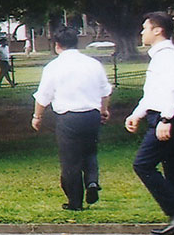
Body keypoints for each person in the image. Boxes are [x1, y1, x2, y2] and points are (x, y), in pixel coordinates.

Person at [124, 12, 174, 235]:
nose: (141, 32)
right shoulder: (160, 56)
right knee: (173, 171)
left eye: (145, 28)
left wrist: (166, 118)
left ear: (158, 30)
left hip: (168, 117)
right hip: (166, 115)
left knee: (143, 164)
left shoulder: (168, 56)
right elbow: (153, 93)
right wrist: (137, 114)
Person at [32, 27, 112, 211]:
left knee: (70, 161)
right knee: (90, 151)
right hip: (91, 114)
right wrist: (103, 110)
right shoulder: (93, 64)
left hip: (68, 118)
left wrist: (37, 117)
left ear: (57, 45)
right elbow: (105, 90)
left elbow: (43, 96)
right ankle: (92, 181)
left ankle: (75, 202)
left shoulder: (53, 67)